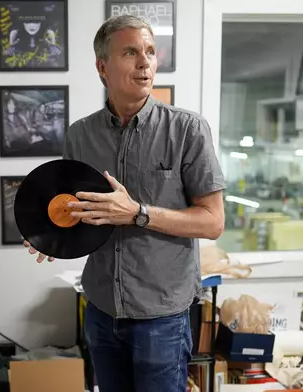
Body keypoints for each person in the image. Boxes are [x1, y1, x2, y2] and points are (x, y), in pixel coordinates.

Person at [23, 14, 225, 392]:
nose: (145, 61)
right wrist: (49, 232)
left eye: (149, 51)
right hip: (100, 308)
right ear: (103, 67)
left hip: (162, 317)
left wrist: (138, 214)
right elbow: (77, 208)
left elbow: (212, 222)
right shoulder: (80, 135)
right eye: (130, 52)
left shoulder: (187, 130)